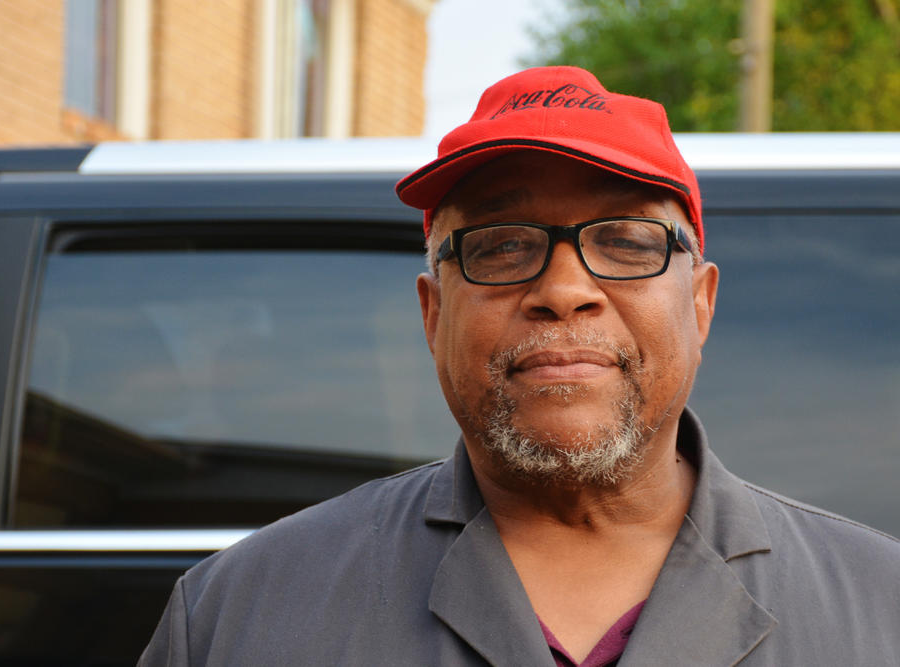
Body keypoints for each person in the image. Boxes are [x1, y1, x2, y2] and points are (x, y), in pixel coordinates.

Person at [139, 67, 899, 666]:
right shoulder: (238, 616)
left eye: (627, 242)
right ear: (434, 313)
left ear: (700, 304)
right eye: (502, 245)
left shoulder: (881, 609)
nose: (564, 290)